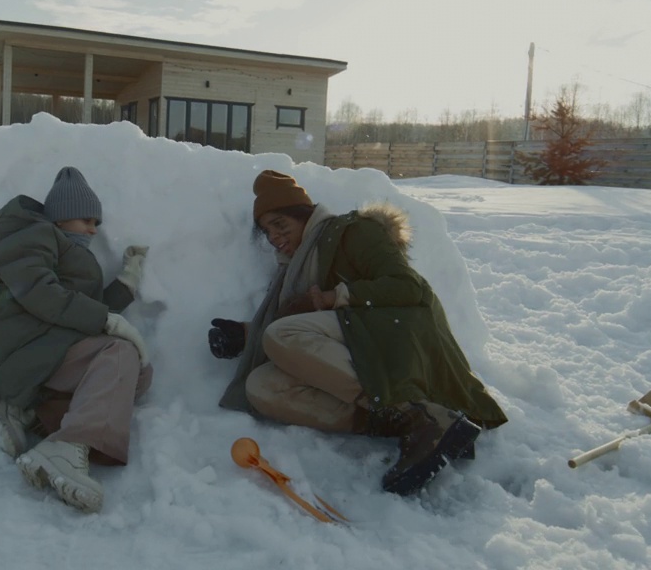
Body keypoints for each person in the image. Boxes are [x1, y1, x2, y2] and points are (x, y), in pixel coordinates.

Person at [209, 170, 507, 495]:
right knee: (261, 385)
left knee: (282, 335)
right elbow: (298, 327)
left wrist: (337, 296)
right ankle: (394, 421)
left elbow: (409, 287)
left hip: (397, 341)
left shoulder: (353, 231)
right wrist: (244, 334)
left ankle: (422, 416)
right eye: (267, 231)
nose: (274, 237)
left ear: (304, 214)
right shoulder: (294, 268)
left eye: (280, 224)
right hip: (358, 349)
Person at [0, 166, 151, 513]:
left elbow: (79, 312)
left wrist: (126, 284)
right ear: (61, 218)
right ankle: (67, 445)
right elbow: (38, 293)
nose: (93, 230)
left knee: (133, 376)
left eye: (97, 223)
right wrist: (107, 321)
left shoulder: (64, 250)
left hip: (39, 345)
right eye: (86, 221)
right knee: (119, 352)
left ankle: (32, 410)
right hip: (15, 343)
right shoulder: (30, 236)